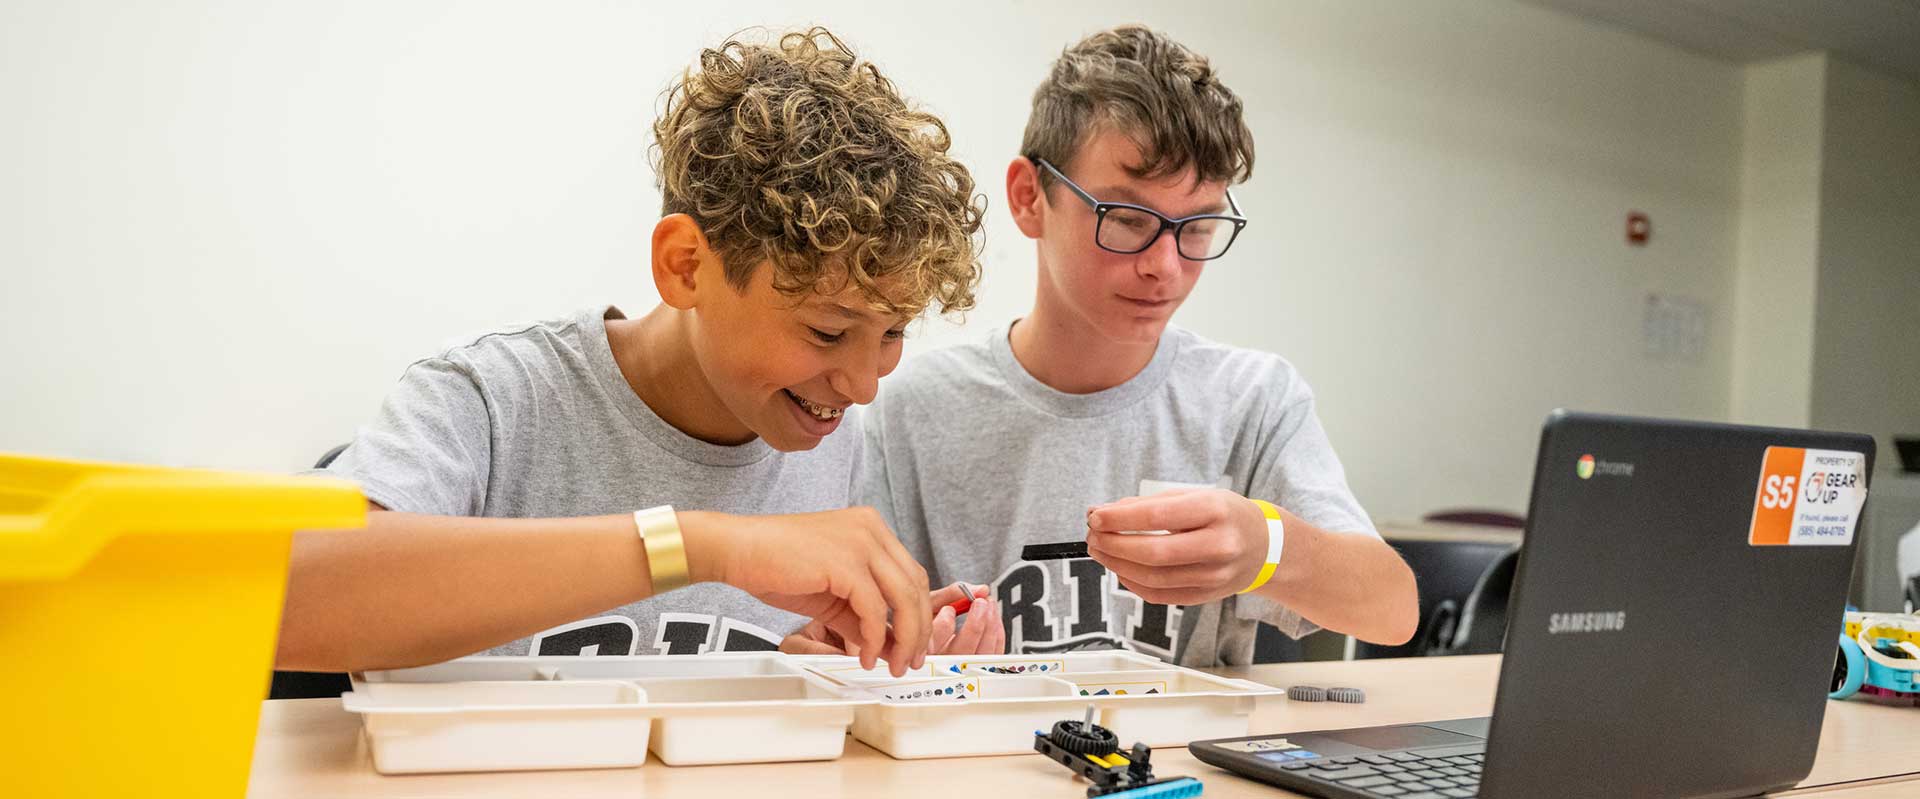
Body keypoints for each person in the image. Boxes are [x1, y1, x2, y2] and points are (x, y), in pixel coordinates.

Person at [279, 27, 987, 677]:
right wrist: (704, 544)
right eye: (828, 332)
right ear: (685, 266)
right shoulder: (495, 397)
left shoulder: (831, 440)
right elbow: (283, 596)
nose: (864, 385)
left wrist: (806, 670)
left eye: (892, 332)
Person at [857, 25, 1418, 667]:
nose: (1166, 266)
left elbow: (1393, 611)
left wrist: (1267, 547)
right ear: (1028, 197)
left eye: (1199, 227)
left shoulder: (1251, 401)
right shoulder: (917, 410)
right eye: (1126, 220)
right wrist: (907, 649)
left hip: (1188, 763)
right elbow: (855, 642)